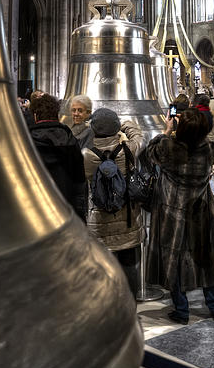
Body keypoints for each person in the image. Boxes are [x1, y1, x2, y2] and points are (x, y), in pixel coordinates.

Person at [145, 108, 214, 323]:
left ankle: (182, 311)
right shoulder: (209, 149)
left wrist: (166, 130)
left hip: (173, 212)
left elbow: (150, 152)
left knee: (173, 259)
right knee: (205, 259)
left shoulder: (168, 148)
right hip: (200, 210)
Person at [82, 108, 145, 297]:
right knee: (128, 268)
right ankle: (130, 309)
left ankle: (109, 311)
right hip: (127, 219)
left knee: (102, 271)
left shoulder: (86, 155)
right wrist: (124, 124)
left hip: (98, 221)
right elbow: (140, 136)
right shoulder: (127, 150)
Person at [27, 93, 87, 221]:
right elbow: (80, 180)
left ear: (35, 115)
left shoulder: (25, 142)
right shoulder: (70, 140)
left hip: (34, 211)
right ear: (56, 114)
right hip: (65, 209)